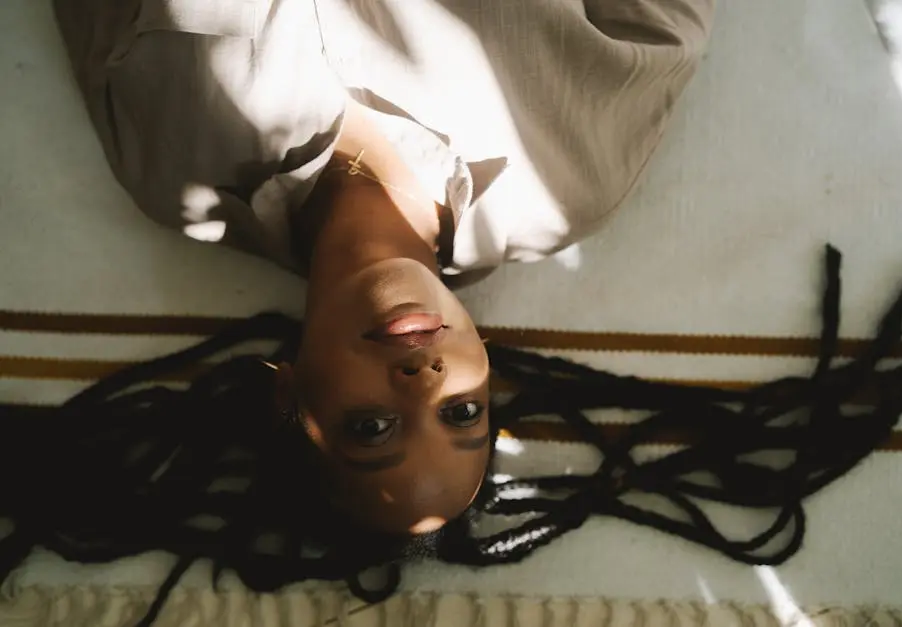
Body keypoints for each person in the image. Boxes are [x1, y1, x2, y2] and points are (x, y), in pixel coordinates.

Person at [51, 0, 716, 536]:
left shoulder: (176, 175)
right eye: (461, 411)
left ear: (288, 393)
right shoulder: (564, 179)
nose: (421, 381)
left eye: (373, 427)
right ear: (486, 366)